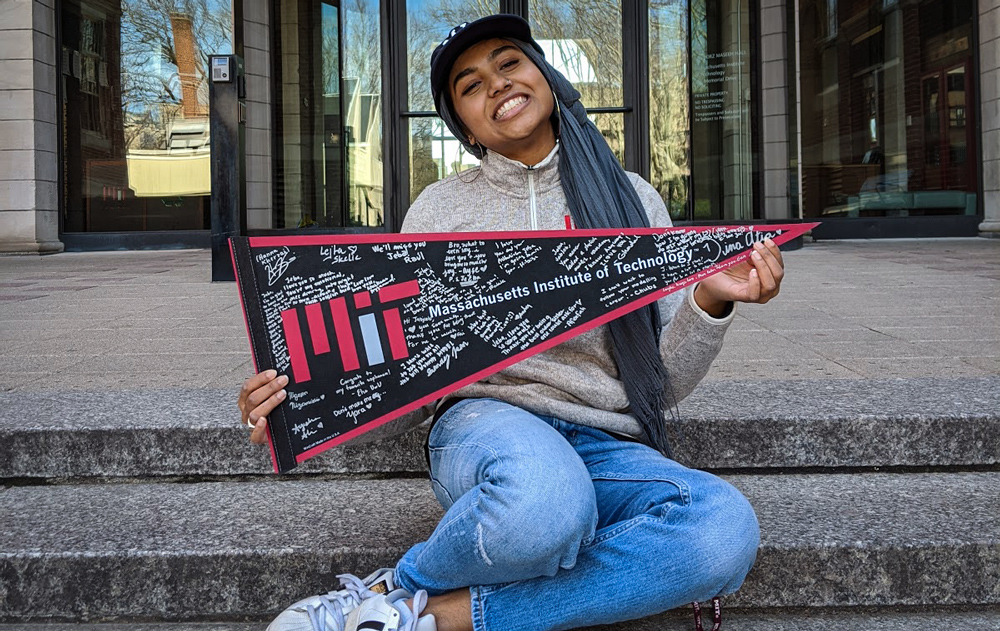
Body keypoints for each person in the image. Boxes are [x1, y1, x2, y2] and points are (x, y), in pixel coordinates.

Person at [239, 14, 786, 631]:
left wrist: (709, 302)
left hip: (607, 440)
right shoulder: (439, 211)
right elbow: (401, 379)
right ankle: (407, 585)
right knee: (545, 508)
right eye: (470, 86)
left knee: (722, 529)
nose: (496, 85)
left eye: (508, 63)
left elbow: (661, 382)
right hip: (484, 427)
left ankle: (422, 614)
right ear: (463, 126)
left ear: (544, 75)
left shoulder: (634, 200)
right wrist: (302, 406)